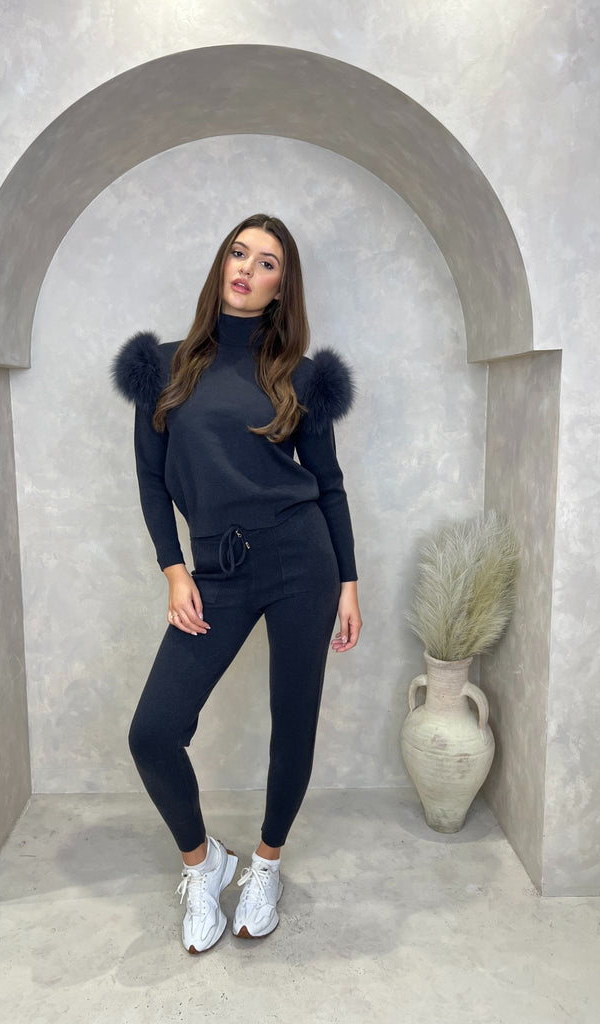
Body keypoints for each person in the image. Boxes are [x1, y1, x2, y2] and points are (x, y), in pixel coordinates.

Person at [112, 213, 362, 954]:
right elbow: (151, 480)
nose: (248, 268)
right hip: (216, 568)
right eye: (239, 253)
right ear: (222, 263)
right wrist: (174, 569)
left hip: (302, 561)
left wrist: (348, 581)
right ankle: (203, 864)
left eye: (268, 262)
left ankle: (266, 866)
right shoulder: (163, 367)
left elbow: (329, 484)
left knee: (294, 719)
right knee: (154, 732)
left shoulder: (299, 376)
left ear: (283, 287)